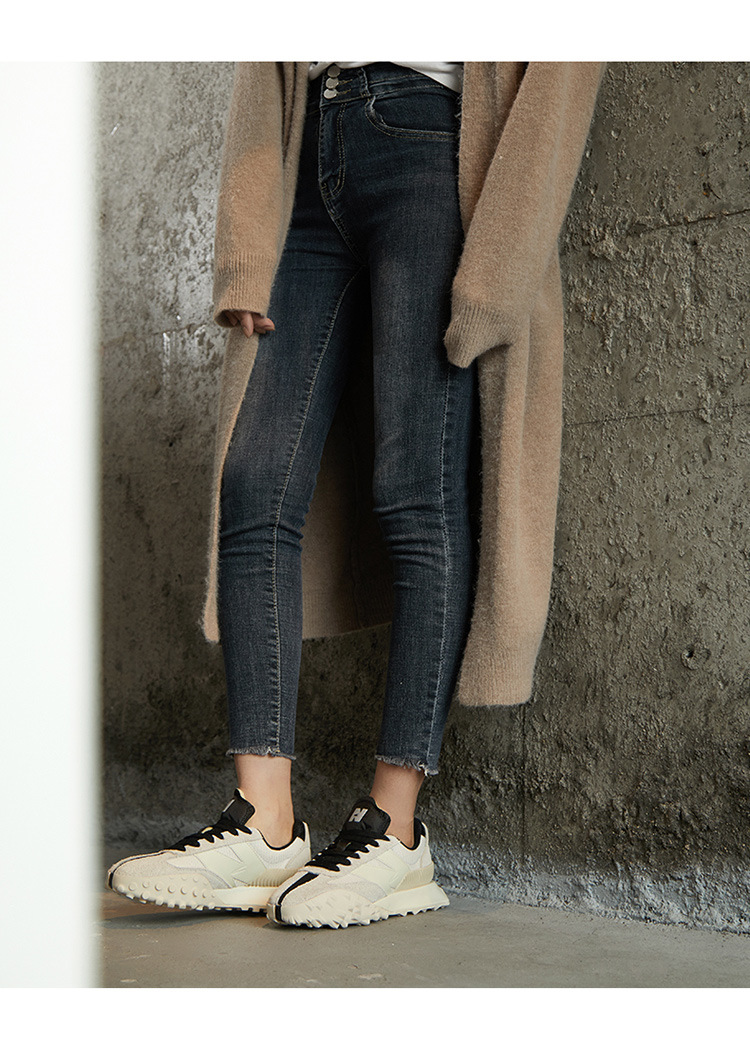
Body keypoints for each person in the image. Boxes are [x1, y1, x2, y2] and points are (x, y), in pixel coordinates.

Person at [108, 61, 604, 929]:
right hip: (310, 150)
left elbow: (565, 65)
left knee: (417, 492)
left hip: (435, 144)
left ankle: (395, 830)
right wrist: (246, 242)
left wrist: (500, 271)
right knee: (253, 483)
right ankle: (265, 822)